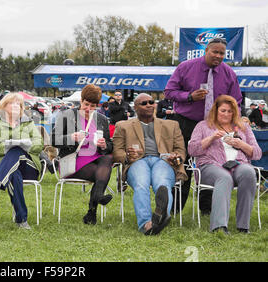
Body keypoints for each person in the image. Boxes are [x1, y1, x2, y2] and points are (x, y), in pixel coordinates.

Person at [164, 37, 242, 215]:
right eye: (215, 51)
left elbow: (236, 100)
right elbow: (169, 92)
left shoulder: (229, 73)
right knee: (181, 163)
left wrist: (230, 117)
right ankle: (175, 208)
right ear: (206, 50)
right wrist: (190, 97)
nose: (218, 56)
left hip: (214, 127)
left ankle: (206, 208)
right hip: (185, 123)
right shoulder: (186, 67)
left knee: (212, 164)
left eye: (222, 53)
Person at [112, 93, 187, 235]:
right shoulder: (123, 126)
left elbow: (180, 150)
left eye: (151, 102)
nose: (148, 105)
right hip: (137, 162)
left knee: (162, 184)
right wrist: (127, 157)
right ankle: (146, 223)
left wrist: (176, 157)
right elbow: (117, 152)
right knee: (141, 184)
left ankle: (160, 217)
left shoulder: (171, 125)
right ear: (135, 107)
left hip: (163, 161)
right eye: (144, 103)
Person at [188, 95, 262, 234]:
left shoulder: (243, 127)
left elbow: (257, 153)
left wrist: (242, 144)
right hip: (210, 165)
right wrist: (211, 138)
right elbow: (192, 150)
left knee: (249, 173)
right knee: (224, 177)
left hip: (238, 164)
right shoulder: (203, 126)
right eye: (223, 110)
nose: (227, 114)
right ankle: (219, 227)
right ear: (215, 111)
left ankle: (243, 226)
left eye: (230, 111)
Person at [52, 84, 114, 225]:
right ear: (81, 100)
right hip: (72, 160)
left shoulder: (102, 120)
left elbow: (110, 146)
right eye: (86, 104)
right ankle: (93, 208)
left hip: (96, 159)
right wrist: (71, 137)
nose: (89, 109)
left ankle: (93, 206)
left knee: (107, 158)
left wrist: (104, 145)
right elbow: (54, 139)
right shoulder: (67, 115)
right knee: (101, 174)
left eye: (93, 106)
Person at [0, 92, 44, 229]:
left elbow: (39, 144)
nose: (16, 105)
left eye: (18, 103)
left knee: (17, 150)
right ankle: (22, 220)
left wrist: (25, 146)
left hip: (29, 166)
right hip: (8, 168)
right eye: (12, 103)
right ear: (4, 106)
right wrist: (6, 147)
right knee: (14, 174)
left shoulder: (28, 123)